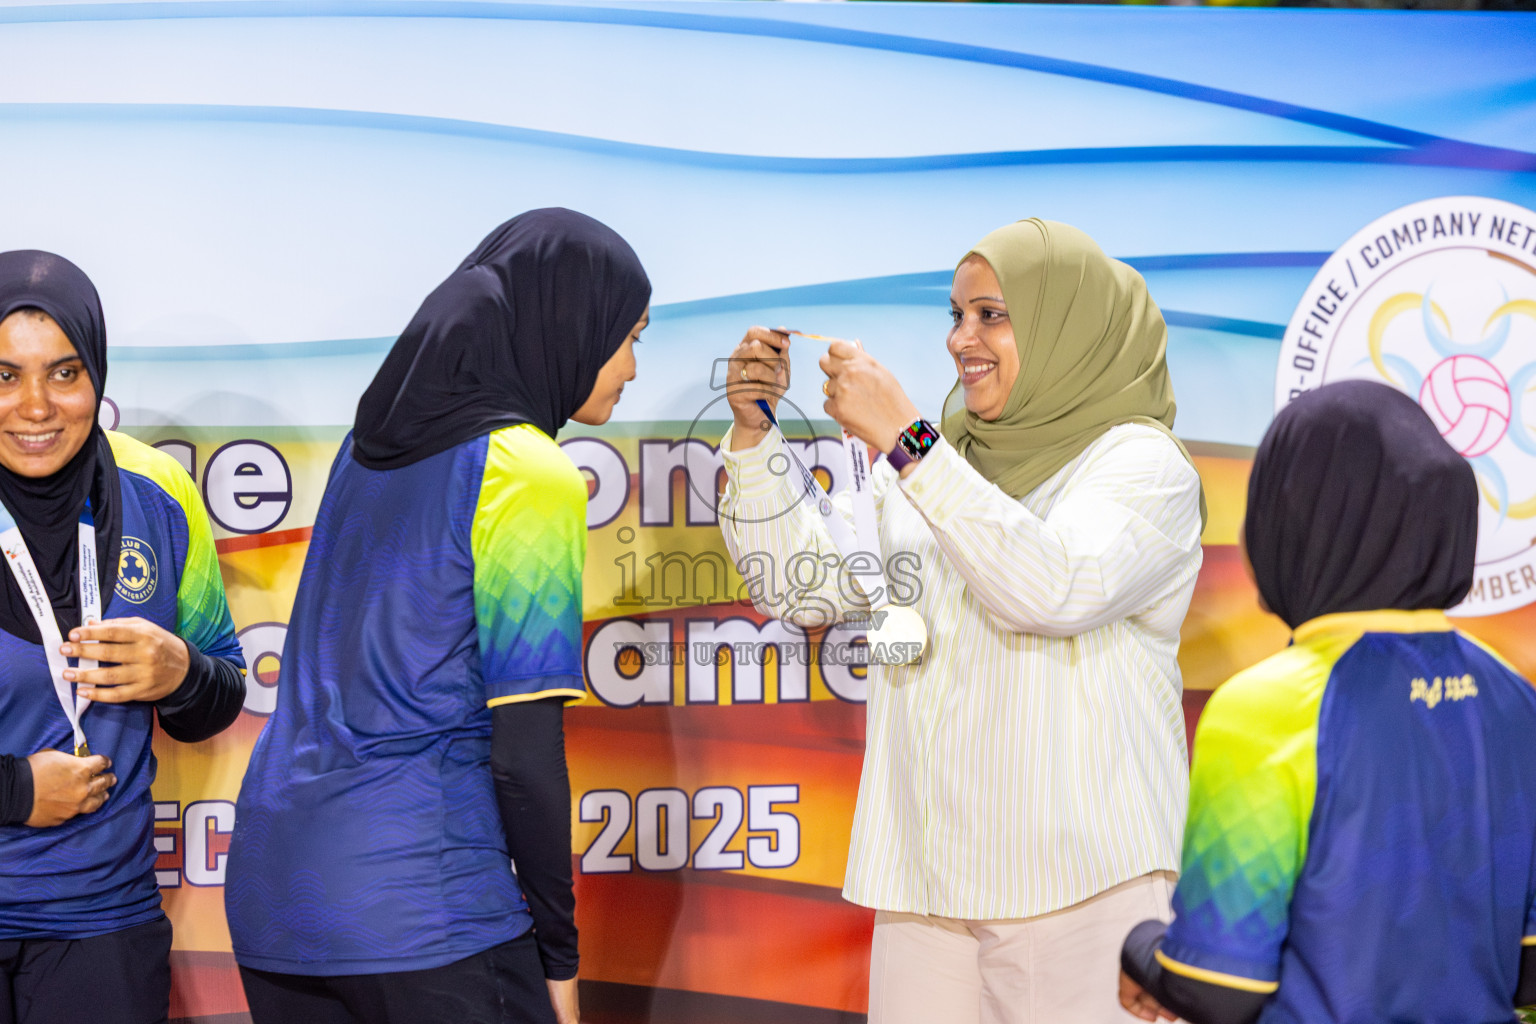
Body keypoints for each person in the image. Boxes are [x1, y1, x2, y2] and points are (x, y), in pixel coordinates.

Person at [717, 218, 1206, 1023]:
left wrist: (908, 441)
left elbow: (1053, 587)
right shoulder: (939, 461)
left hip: (1086, 890)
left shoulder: (1140, 465)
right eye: (956, 314)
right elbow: (801, 588)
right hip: (928, 889)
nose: (960, 339)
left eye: (992, 315)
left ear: (1067, 326)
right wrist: (752, 431)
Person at [225, 208, 651, 1024]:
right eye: (627, 336)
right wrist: (559, 958)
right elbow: (524, 754)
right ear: (569, 321)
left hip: (272, 892)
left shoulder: (365, 449)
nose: (632, 366)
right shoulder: (527, 470)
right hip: (423, 904)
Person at [1119, 379, 1536, 1024]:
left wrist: (1140, 948)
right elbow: (1527, 971)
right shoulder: (1514, 698)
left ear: (1293, 526)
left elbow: (1218, 986)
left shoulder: (1263, 709)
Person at [0, 250, 247, 1024]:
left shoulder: (157, 498)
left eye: (64, 373)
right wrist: (14, 791)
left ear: (97, 376)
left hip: (103, 926)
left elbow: (222, 689)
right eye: (4, 375)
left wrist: (183, 673)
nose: (35, 406)